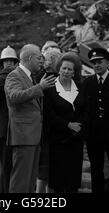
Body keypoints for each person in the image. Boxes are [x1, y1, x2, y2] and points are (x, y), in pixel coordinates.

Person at [5, 44, 56, 193]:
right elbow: (14, 97)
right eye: (39, 58)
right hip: (23, 136)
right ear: (29, 58)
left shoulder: (30, 76)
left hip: (33, 136)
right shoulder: (14, 75)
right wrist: (40, 88)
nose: (42, 61)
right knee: (21, 180)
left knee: (30, 180)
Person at [44, 52, 84, 193]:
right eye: (64, 68)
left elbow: (85, 110)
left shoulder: (81, 87)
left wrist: (79, 126)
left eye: (70, 69)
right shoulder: (50, 89)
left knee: (73, 181)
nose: (66, 71)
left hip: (76, 140)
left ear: (74, 72)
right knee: (58, 181)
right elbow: (48, 114)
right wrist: (67, 124)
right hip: (57, 140)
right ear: (59, 69)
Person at [79, 47, 109, 193]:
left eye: (100, 61)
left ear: (107, 62)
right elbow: (84, 109)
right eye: (94, 63)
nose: (97, 65)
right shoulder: (88, 83)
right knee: (96, 169)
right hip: (94, 136)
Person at [0, 46, 19, 193]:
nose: (8, 64)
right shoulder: (2, 77)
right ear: (2, 63)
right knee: (7, 167)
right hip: (4, 128)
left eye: (11, 61)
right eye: (6, 61)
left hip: (7, 128)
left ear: (16, 62)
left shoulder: (2, 77)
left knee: (9, 166)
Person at [36, 46, 61, 193]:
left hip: (44, 128)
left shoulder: (41, 76)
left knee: (44, 169)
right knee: (46, 169)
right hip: (49, 129)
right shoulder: (50, 78)